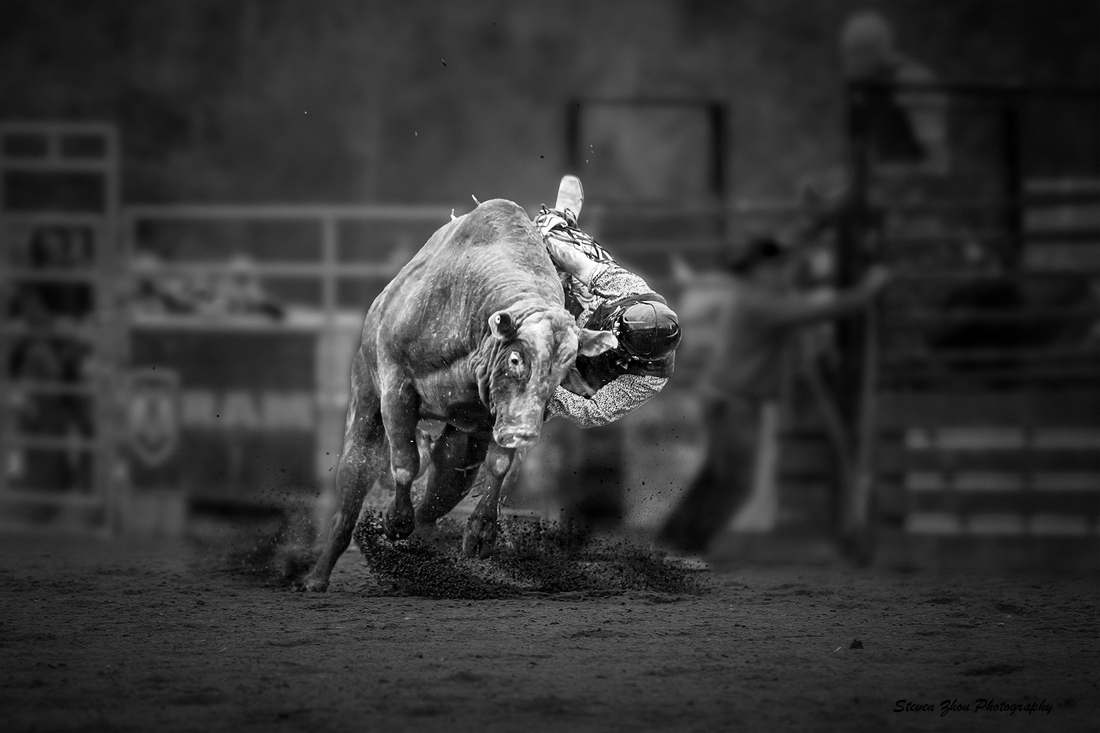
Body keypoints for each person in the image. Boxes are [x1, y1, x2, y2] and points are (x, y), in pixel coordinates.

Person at [656, 237, 891, 559]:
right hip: (736, 400)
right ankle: (684, 547)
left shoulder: (755, 298)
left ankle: (675, 544)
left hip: (728, 397)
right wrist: (868, 289)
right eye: (777, 267)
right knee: (735, 483)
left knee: (720, 478)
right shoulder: (760, 303)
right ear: (760, 270)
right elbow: (821, 309)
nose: (783, 273)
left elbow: (805, 303)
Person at [534, 175, 682, 427]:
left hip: (571, 377)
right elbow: (584, 266)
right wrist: (551, 235)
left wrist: (541, 385)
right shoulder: (632, 291)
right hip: (575, 312)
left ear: (638, 357)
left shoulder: (648, 378)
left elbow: (592, 412)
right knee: (561, 255)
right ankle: (565, 219)